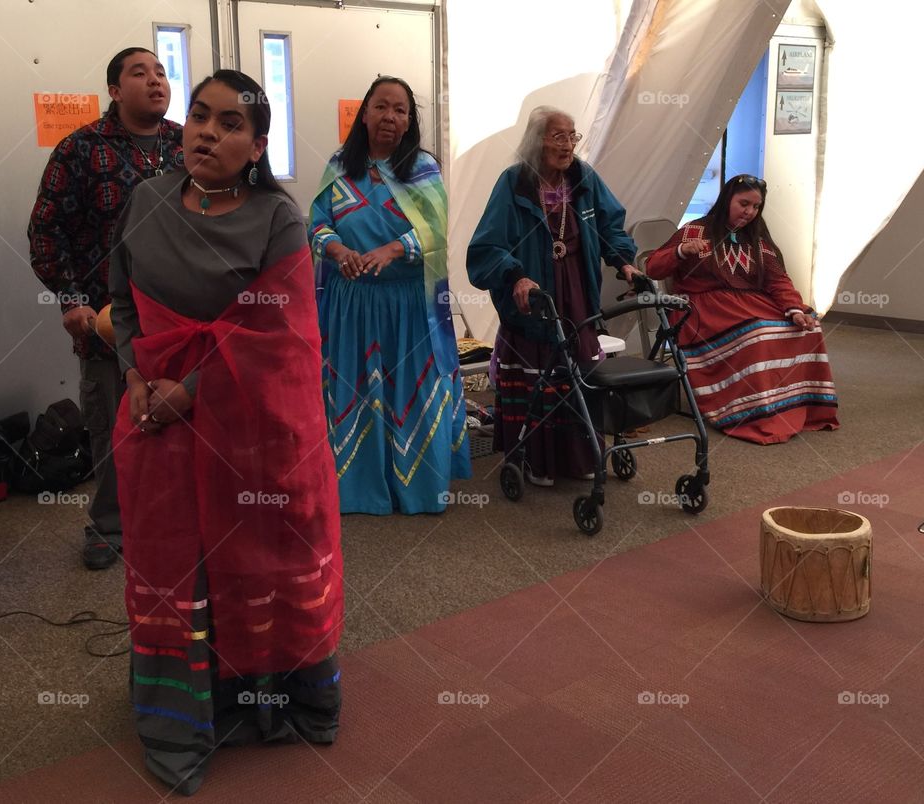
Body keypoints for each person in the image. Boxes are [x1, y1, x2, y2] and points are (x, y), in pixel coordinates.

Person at [109, 70, 343, 795]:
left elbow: (283, 338)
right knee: (181, 569)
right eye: (200, 116)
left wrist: (195, 390)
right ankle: (186, 719)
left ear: (257, 145)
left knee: (257, 563)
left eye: (230, 123)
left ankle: (267, 699)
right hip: (156, 424)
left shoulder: (279, 219)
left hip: (252, 432)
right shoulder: (145, 202)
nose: (207, 131)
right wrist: (136, 379)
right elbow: (120, 304)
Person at [29, 47, 183, 569]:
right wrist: (72, 300)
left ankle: (175, 517)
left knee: (183, 416)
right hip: (107, 321)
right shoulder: (81, 149)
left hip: (181, 316)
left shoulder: (187, 144)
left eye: (161, 72)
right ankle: (109, 525)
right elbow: (46, 232)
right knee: (115, 423)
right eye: (139, 73)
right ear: (115, 91)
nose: (155, 81)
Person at [310, 76, 470, 515]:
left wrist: (393, 249)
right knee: (353, 388)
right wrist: (338, 249)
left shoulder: (422, 169)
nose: (390, 117)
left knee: (412, 391)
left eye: (401, 110)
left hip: (408, 304)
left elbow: (436, 232)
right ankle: (357, 488)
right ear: (364, 113)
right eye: (382, 107)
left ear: (409, 121)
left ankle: (415, 489)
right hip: (351, 302)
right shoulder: (340, 165)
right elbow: (317, 224)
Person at [466, 106, 638, 486]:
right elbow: (487, 246)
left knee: (580, 368)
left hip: (576, 291)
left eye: (572, 136)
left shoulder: (584, 178)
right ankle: (533, 459)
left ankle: (580, 458)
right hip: (534, 296)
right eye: (558, 136)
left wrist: (624, 262)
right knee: (537, 372)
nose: (568, 145)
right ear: (536, 140)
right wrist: (516, 277)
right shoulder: (513, 183)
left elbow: (611, 225)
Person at [645, 174, 839, 444]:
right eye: (743, 203)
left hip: (749, 304)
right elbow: (653, 267)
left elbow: (778, 281)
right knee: (757, 333)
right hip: (703, 309)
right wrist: (681, 251)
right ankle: (756, 414)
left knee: (808, 327)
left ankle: (797, 409)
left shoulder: (756, 239)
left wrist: (794, 309)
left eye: (756, 206)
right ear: (727, 200)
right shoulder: (694, 231)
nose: (749, 212)